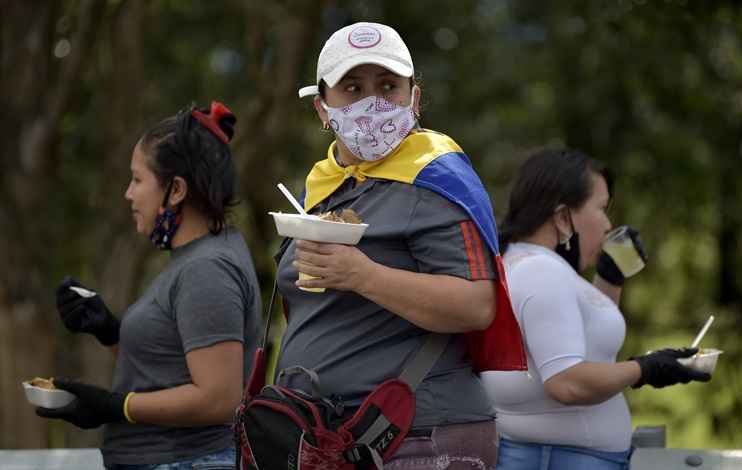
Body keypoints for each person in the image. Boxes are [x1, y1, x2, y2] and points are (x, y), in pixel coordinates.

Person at [273, 22, 526, 469]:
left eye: (388, 86)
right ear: (321, 109)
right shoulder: (321, 188)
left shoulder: (435, 177)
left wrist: (362, 274)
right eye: (352, 87)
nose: (372, 102)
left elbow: (476, 304)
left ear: (415, 98)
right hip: (331, 436)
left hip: (418, 437)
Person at [37, 102, 262, 470]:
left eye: (138, 180)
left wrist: (115, 406)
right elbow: (172, 368)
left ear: (175, 190)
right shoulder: (195, 257)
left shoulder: (207, 269)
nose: (128, 194)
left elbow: (220, 398)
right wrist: (110, 330)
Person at [481, 149, 711, 470]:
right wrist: (645, 368)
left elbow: (584, 350)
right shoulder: (541, 273)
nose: (608, 224)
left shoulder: (525, 264)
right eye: (601, 209)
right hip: (562, 460)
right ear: (563, 217)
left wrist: (609, 279)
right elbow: (566, 382)